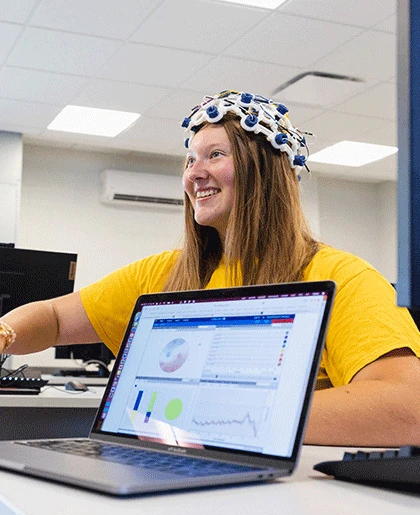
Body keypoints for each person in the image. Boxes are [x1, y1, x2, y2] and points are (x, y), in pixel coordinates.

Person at [1, 89, 420, 449]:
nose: (194, 174)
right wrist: (6, 334)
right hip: (166, 460)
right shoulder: (168, 272)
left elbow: (408, 408)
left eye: (215, 155)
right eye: (190, 160)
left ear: (265, 174)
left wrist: (228, 418)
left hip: (272, 494)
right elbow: (55, 319)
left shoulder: (341, 276)